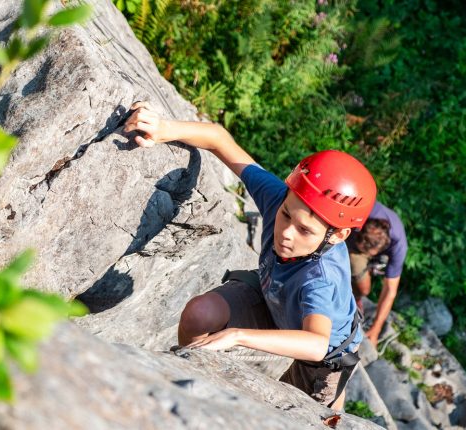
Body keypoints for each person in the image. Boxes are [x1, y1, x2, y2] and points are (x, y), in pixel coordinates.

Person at [123, 102, 376, 410]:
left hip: (321, 358)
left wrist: (238, 335)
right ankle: (189, 395)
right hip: (274, 298)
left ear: (337, 235)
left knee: (306, 417)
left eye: (305, 231)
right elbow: (219, 139)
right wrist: (165, 129)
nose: (286, 233)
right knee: (200, 313)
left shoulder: (321, 278)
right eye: (285, 215)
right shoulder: (279, 198)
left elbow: (316, 343)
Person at [347, 202, 407, 346]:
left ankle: (356, 295)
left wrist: (375, 329)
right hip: (349, 227)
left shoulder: (398, 247)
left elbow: (390, 291)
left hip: (363, 248)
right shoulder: (360, 209)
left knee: (364, 289)